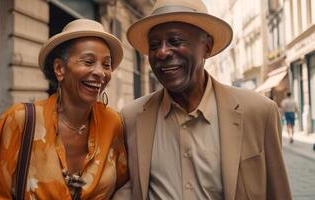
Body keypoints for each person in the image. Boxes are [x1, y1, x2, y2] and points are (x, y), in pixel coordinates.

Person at [113, 0, 291, 199]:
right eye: (154, 46)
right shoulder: (131, 118)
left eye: (175, 41)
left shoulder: (259, 112)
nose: (162, 52)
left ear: (206, 47)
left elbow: (278, 193)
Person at [0, 19, 128, 199]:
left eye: (106, 64)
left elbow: (124, 188)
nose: (100, 72)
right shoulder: (20, 120)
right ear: (59, 68)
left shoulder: (113, 122)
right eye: (88, 61)